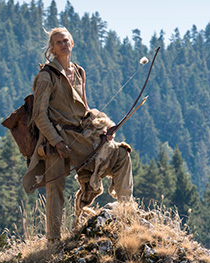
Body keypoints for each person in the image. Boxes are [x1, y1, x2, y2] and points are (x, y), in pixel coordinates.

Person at [23, 27, 133, 243]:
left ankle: (126, 218)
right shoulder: (46, 77)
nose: (63, 44)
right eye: (57, 42)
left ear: (71, 43)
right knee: (55, 187)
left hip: (83, 136)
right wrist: (56, 142)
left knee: (121, 156)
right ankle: (53, 241)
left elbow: (84, 108)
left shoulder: (79, 72)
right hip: (57, 138)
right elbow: (39, 116)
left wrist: (102, 130)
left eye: (65, 40)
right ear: (52, 49)